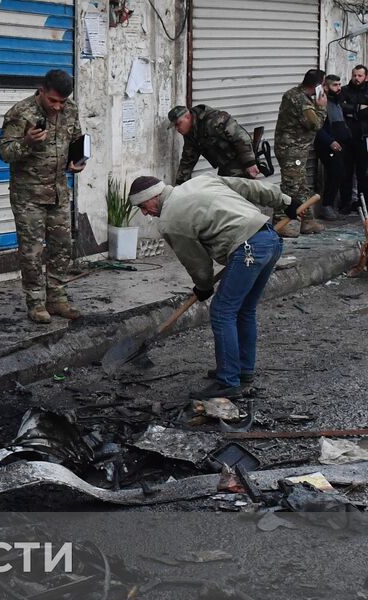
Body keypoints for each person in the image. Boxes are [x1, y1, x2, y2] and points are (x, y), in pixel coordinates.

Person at [128, 174, 305, 400]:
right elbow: (249, 187)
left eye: (143, 206)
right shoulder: (200, 181)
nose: (145, 213)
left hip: (248, 250)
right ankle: (243, 370)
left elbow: (196, 261)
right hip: (270, 240)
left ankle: (228, 380)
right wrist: (286, 201)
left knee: (222, 312)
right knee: (244, 309)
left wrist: (203, 286)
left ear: (154, 197)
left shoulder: (170, 221)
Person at [0, 68, 86, 324]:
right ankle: (35, 303)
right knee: (32, 252)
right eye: (53, 101)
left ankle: (57, 299)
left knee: (61, 248)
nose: (57, 107)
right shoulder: (20, 113)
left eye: (62, 101)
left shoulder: (70, 110)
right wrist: (26, 142)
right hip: (29, 196)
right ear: (42, 91)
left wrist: (78, 160)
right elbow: (4, 153)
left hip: (58, 191)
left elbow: (77, 140)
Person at [275, 68, 326, 236]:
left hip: (296, 149)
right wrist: (322, 107)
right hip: (292, 151)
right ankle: (279, 221)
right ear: (318, 85)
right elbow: (315, 124)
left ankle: (307, 220)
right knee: (291, 186)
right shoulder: (302, 102)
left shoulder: (294, 93)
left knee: (302, 186)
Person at [169, 104, 261, 185]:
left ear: (188, 117)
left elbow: (241, 137)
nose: (177, 129)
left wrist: (250, 163)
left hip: (241, 163)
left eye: (178, 124)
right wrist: (180, 185)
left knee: (241, 198)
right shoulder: (191, 134)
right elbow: (188, 160)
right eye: (175, 126)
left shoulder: (214, 120)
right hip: (225, 168)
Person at [315, 74, 354, 219]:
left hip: (341, 143)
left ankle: (336, 204)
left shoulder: (337, 100)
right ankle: (326, 205)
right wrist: (330, 141)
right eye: (334, 85)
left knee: (341, 173)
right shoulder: (321, 102)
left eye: (339, 84)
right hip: (328, 145)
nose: (338, 88)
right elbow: (318, 127)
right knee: (335, 172)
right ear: (326, 87)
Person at [339, 63, 368, 203]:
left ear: (366, 77)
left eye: (360, 76)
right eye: (354, 75)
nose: (356, 78)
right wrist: (357, 108)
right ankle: (345, 203)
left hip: (363, 137)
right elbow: (340, 107)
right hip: (347, 137)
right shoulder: (344, 90)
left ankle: (363, 204)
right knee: (345, 173)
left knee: (363, 173)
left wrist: (352, 112)